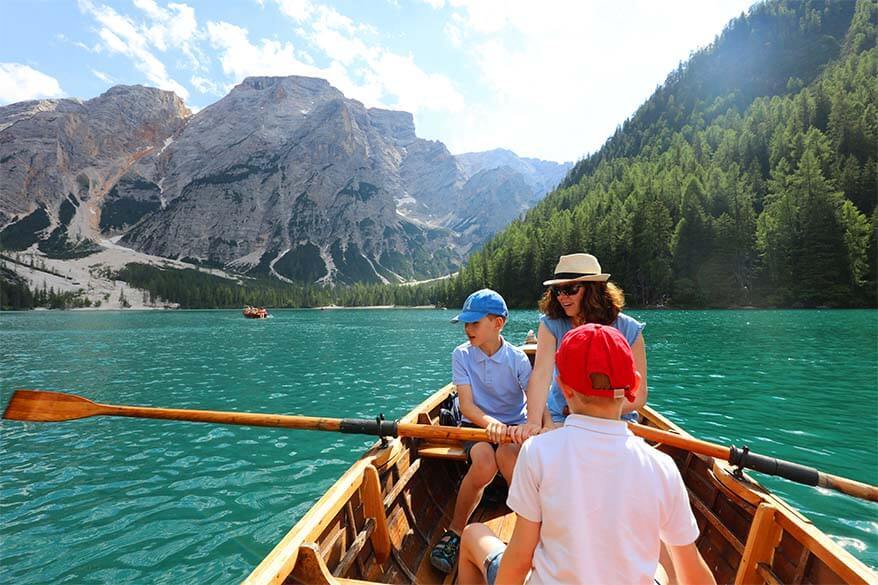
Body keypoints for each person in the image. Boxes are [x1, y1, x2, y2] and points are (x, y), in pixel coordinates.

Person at [458, 323, 715, 585]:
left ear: (563, 388)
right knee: (660, 571)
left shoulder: (537, 452)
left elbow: (520, 559)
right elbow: (695, 576)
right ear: (634, 385)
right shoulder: (662, 466)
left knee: (471, 536)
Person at [430, 288, 532, 574]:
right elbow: (468, 406)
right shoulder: (461, 355)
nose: (467, 329)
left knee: (510, 459)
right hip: (475, 427)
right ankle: (455, 531)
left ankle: (528, 532)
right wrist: (492, 426)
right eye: (466, 323)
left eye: (475, 323)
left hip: (514, 429)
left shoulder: (518, 359)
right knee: (485, 462)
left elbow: (535, 399)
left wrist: (530, 426)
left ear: (498, 323)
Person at [513, 253, 647, 441]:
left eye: (569, 289)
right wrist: (534, 423)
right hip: (564, 415)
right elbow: (542, 374)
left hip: (617, 418)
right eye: (557, 291)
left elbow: (639, 396)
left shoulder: (629, 329)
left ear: (594, 290)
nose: (561, 297)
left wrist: (590, 414)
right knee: (511, 453)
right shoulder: (552, 324)